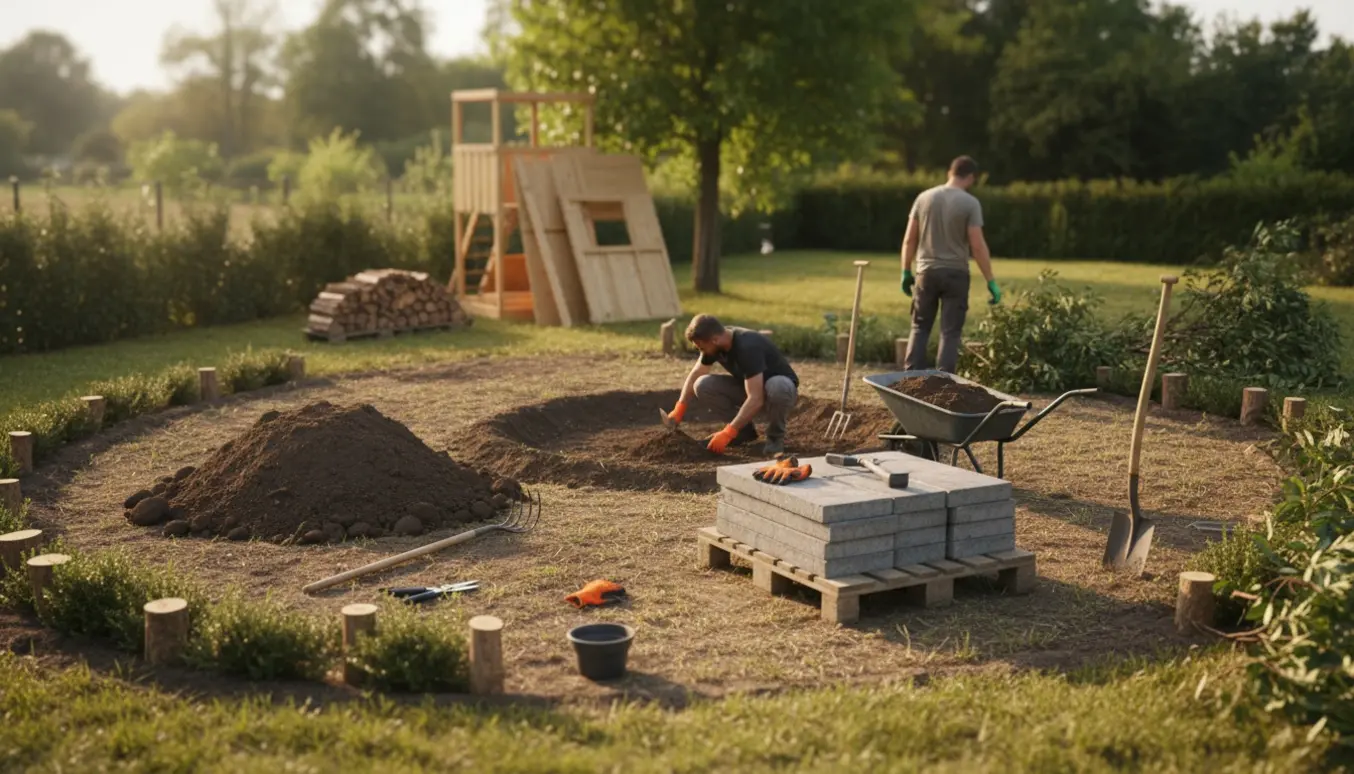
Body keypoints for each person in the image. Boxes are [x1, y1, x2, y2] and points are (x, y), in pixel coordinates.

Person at [900, 155, 1001, 373]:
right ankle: (944, 382)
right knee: (950, 332)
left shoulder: (923, 198)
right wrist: (990, 281)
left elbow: (909, 239)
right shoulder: (970, 203)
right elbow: (977, 246)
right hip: (956, 274)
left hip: (926, 272)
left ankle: (910, 379)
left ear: (950, 173)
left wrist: (905, 271)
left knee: (919, 326)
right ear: (971, 178)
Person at [665, 315, 799, 456]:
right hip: (752, 387)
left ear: (714, 340)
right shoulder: (717, 340)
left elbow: (756, 398)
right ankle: (743, 432)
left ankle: (775, 439)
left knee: (777, 386)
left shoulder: (747, 346)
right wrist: (680, 407)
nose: (702, 352)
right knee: (702, 385)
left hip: (781, 393)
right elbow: (697, 373)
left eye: (702, 348)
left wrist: (728, 432)